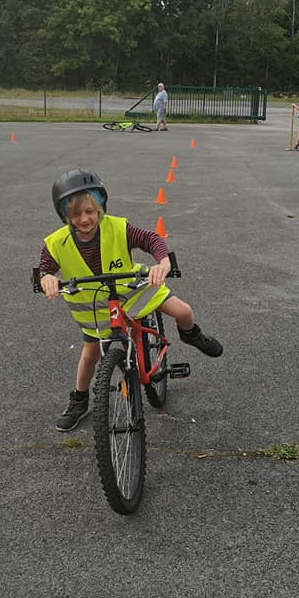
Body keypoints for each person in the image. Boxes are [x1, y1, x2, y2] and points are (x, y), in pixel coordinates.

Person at [37, 168, 223, 431]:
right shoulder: (57, 243)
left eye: (89, 211)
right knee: (89, 356)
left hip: (133, 291)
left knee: (183, 311)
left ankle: (191, 334)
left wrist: (163, 262)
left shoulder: (117, 227)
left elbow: (150, 239)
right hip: (97, 308)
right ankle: (79, 400)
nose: (84, 219)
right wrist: (46, 278)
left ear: (100, 208)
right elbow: (44, 268)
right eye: (76, 214)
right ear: (65, 215)